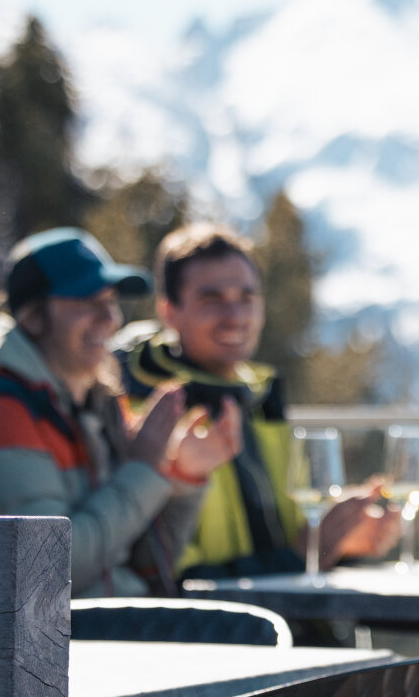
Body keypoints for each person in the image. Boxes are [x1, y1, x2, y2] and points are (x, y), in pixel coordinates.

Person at [0, 227, 242, 596]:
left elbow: (149, 563)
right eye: (85, 302)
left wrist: (182, 477)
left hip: (111, 621)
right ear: (33, 317)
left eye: (110, 301)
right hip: (58, 641)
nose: (108, 318)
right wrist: (143, 472)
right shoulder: (0, 417)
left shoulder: (93, 405)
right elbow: (51, 569)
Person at [115, 222, 397, 578]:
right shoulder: (147, 411)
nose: (235, 317)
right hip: (214, 629)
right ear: (169, 311)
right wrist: (305, 554)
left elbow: (295, 543)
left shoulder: (262, 398)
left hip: (285, 618)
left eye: (246, 298)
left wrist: (344, 542)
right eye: (212, 300)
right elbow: (165, 578)